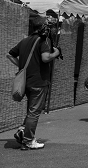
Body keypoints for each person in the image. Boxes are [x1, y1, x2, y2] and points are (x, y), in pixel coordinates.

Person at [8, 15, 61, 150]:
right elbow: (45, 58)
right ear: (44, 27)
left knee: (31, 110)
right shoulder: (44, 40)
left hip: (26, 81)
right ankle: (28, 140)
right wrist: (56, 53)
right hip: (39, 81)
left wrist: (21, 65)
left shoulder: (25, 41)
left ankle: (22, 130)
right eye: (48, 26)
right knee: (34, 111)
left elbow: (10, 54)